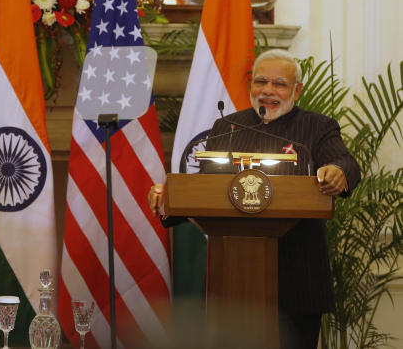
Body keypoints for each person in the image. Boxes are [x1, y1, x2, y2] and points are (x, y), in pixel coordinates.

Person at [147, 49, 360, 349]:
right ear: (251, 86)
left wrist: (337, 171)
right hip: (233, 281)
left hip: (297, 282)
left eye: (280, 84)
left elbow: (345, 162)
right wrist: (168, 201)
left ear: (297, 90)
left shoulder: (317, 126)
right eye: (261, 81)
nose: (268, 91)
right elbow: (207, 193)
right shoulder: (226, 127)